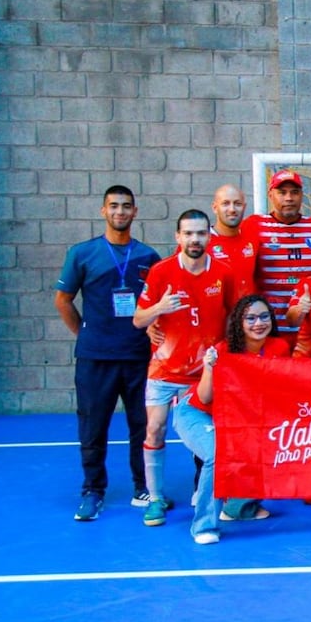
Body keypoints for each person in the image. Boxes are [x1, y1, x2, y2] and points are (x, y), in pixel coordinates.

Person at [55, 185, 161, 521]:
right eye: (114, 206)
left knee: (142, 425)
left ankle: (143, 487)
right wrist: (86, 334)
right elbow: (63, 300)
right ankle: (92, 490)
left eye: (126, 206)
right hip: (95, 357)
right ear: (104, 211)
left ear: (135, 212)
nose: (120, 212)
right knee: (93, 426)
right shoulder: (82, 253)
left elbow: (157, 306)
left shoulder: (148, 257)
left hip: (138, 356)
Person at [132, 210, 239, 527]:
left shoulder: (223, 273)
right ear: (178, 237)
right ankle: (155, 498)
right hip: (165, 370)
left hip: (204, 373)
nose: (195, 239)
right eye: (188, 234)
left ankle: (205, 492)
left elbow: (234, 319)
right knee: (154, 428)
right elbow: (138, 320)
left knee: (207, 435)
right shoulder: (161, 272)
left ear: (209, 237)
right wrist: (159, 308)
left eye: (201, 233)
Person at [176, 295, 290, 544]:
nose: (258, 323)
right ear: (239, 322)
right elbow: (204, 397)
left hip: (237, 416)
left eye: (264, 316)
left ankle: (239, 507)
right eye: (251, 318)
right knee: (217, 455)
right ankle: (204, 527)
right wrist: (209, 367)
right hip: (197, 412)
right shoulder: (223, 350)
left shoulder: (279, 348)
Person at [240, 170, 311, 339]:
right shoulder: (253, 225)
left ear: (302, 195)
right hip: (266, 329)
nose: (289, 198)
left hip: (308, 332)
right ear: (270, 195)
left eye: (294, 192)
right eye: (282, 192)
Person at [208, 184, 256, 296]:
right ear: (215, 208)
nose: (232, 209)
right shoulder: (200, 242)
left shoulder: (253, 238)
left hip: (248, 306)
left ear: (244, 207)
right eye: (225, 203)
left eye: (237, 204)